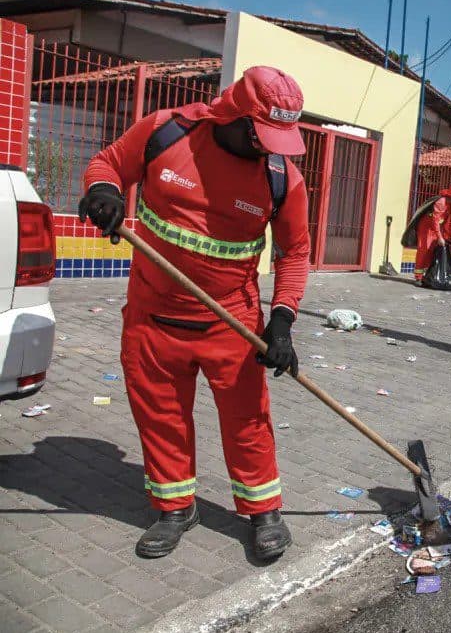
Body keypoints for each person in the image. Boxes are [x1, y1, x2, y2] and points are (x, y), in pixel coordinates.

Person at [78, 66, 311, 561]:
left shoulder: (280, 178)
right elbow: (108, 164)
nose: (271, 148)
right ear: (237, 115)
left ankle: (262, 510)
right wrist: (104, 191)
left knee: (248, 419)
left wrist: (283, 319)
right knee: (160, 416)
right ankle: (175, 508)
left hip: (231, 321)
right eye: (265, 136)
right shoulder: (166, 132)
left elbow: (295, 252)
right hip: (152, 317)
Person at [414, 184, 451, 285]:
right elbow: (435, 220)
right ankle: (418, 277)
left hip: (434, 229)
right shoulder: (441, 202)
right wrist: (440, 237)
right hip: (426, 228)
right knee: (424, 250)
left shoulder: (450, 204)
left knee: (431, 252)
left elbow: (445, 222)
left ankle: (426, 276)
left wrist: (447, 236)